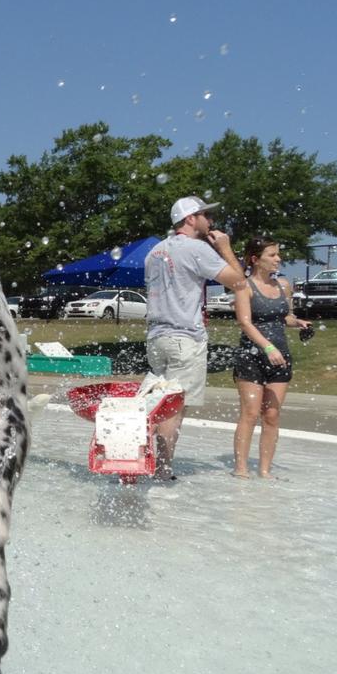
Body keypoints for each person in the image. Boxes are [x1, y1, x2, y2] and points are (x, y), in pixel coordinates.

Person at [143, 196, 246, 479]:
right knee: (173, 407)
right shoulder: (197, 249)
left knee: (157, 402)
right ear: (190, 219)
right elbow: (240, 283)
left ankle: (140, 454)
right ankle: (161, 469)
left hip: (156, 338)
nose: (210, 221)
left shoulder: (154, 252)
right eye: (205, 215)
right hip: (184, 338)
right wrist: (225, 248)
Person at [231, 236, 311, 478]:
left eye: (278, 254)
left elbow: (283, 316)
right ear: (256, 259)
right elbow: (245, 322)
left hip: (280, 357)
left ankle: (265, 471)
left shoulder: (283, 285)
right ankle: (241, 470)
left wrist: (297, 322)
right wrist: (267, 347)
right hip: (252, 356)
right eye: (272, 255)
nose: (279, 259)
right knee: (251, 413)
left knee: (272, 415)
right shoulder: (244, 286)